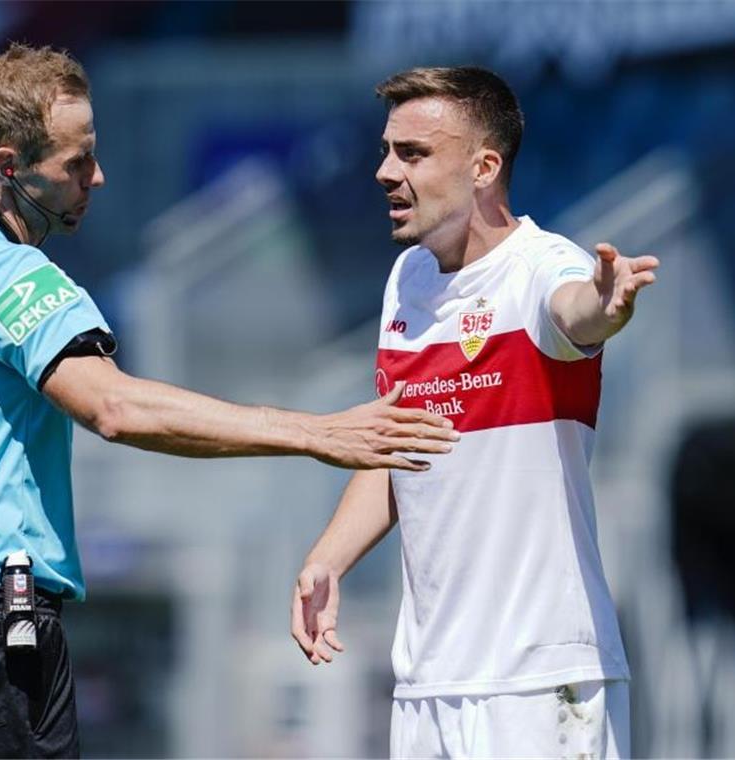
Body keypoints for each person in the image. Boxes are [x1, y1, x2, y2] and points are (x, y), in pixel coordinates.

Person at [0, 44, 457, 759]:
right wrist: (314, 431)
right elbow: (114, 406)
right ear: (9, 168)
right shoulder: (7, 273)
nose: (97, 177)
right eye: (76, 162)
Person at [290, 66, 659, 758]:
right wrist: (328, 558)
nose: (383, 172)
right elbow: (400, 442)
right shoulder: (408, 281)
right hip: (428, 684)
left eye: (413, 153)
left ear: (485, 166)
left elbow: (572, 310)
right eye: (386, 150)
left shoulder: (544, 266)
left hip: (539, 681)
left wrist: (602, 309)